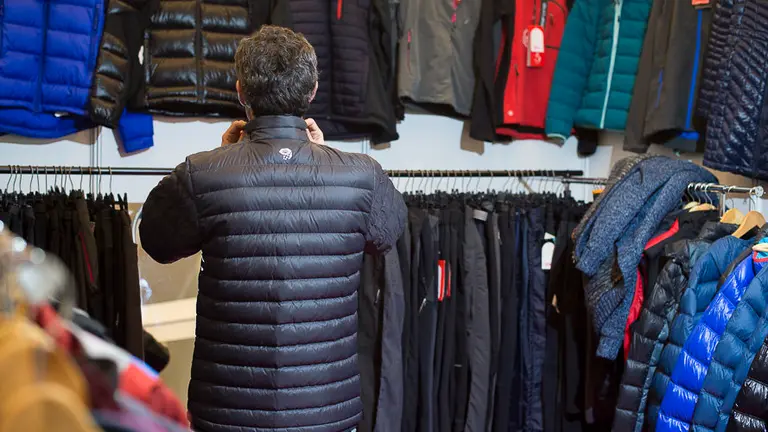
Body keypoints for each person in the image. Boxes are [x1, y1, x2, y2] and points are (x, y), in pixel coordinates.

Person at [139, 25, 406, 432]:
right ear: (312, 90)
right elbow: (389, 234)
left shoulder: (204, 173)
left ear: (241, 90)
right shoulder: (362, 176)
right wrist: (324, 155)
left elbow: (155, 239)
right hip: (327, 412)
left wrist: (225, 158)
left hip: (227, 413)